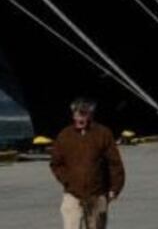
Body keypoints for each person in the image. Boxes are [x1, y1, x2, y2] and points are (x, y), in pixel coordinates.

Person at [49, 97, 125, 229]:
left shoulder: (103, 134)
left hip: (97, 193)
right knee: (71, 225)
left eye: (83, 114)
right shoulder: (65, 135)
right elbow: (55, 163)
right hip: (72, 194)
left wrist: (115, 188)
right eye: (76, 114)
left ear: (91, 115)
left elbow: (115, 164)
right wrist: (67, 180)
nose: (78, 118)